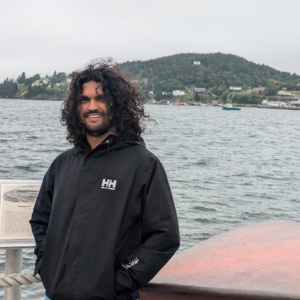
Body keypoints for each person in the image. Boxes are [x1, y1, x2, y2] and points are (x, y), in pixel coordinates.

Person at [30, 61, 180, 300]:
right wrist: (45, 262)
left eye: (101, 98)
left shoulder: (144, 165)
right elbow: (40, 219)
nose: (92, 106)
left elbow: (164, 236)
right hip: (55, 294)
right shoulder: (62, 164)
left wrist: (121, 280)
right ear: (75, 107)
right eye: (84, 99)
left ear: (117, 104)